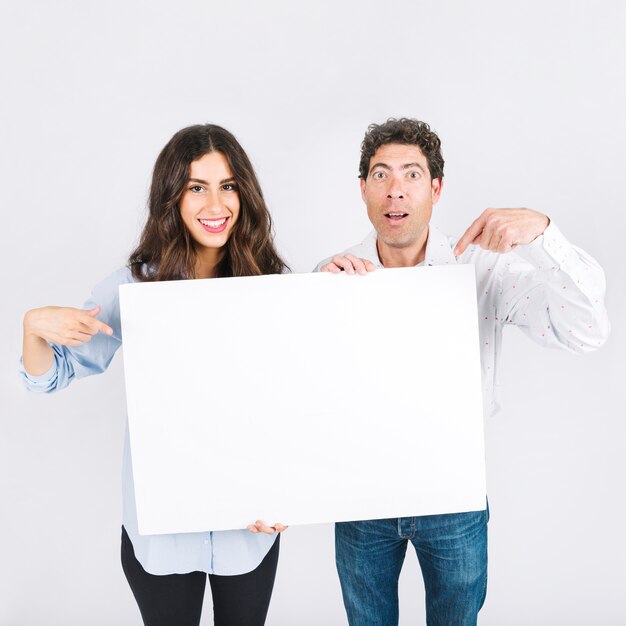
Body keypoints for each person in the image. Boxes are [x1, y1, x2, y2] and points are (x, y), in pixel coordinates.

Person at [316, 117, 610, 626]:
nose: (395, 190)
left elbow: (588, 331)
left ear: (435, 188)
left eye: (411, 174)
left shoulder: (482, 269)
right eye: (381, 175)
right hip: (361, 493)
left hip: (453, 495)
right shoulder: (334, 274)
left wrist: (544, 234)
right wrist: (313, 305)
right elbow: (303, 393)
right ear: (363, 189)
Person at [20, 124, 289, 626]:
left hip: (248, 528)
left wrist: (291, 489)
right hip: (161, 532)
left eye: (228, 186)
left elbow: (299, 402)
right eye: (196, 187)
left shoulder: (274, 288)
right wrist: (33, 326)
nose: (216, 204)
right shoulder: (132, 287)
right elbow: (50, 376)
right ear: (172, 197)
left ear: (244, 194)